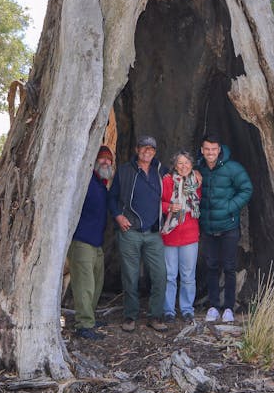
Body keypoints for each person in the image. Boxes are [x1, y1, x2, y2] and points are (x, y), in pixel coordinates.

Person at [108, 135, 169, 332]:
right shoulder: (125, 171)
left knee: (160, 274)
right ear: (137, 150)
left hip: (154, 233)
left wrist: (197, 175)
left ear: (155, 152)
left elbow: (182, 178)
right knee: (130, 276)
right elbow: (112, 197)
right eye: (144, 148)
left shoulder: (162, 172)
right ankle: (130, 316)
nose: (147, 151)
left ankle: (155, 315)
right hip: (130, 231)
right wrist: (118, 216)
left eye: (151, 149)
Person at [196, 134, 253, 323]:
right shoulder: (199, 168)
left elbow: (246, 189)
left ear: (219, 149)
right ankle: (213, 306)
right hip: (208, 227)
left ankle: (228, 307)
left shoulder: (232, 168)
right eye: (207, 149)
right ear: (202, 150)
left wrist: (230, 207)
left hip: (229, 226)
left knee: (229, 267)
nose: (210, 152)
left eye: (214, 149)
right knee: (211, 266)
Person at [67, 145, 114, 340]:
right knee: (84, 284)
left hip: (96, 242)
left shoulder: (101, 184)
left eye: (108, 160)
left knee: (97, 281)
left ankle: (90, 317)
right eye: (102, 159)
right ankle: (83, 325)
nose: (105, 162)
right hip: (81, 241)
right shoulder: (84, 182)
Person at [160, 150, 201, 323]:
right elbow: (158, 201)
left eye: (187, 163)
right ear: (174, 166)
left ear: (192, 165)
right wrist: (168, 207)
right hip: (170, 234)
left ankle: (186, 309)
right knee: (169, 275)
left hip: (190, 235)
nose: (183, 166)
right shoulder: (167, 181)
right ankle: (168, 310)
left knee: (188, 275)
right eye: (180, 163)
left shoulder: (197, 181)